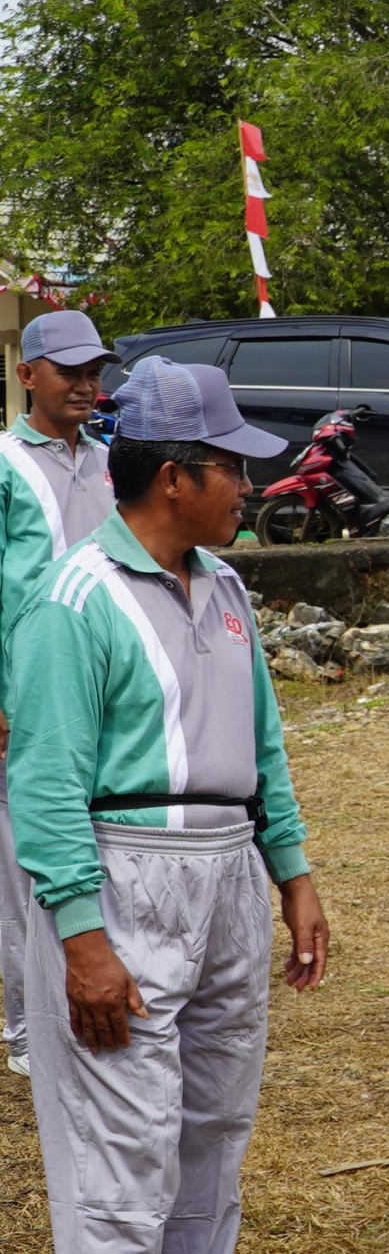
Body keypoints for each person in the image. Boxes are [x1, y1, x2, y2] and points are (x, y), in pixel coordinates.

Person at [6, 357, 325, 1252]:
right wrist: (81, 935)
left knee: (213, 1131)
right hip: (124, 876)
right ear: (174, 475)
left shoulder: (226, 588)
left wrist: (291, 872)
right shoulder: (75, 601)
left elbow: (262, 743)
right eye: (231, 465)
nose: (249, 484)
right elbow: (44, 779)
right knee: (123, 1146)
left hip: (225, 874)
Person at [0, 309, 119, 1079]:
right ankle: (23, 1021)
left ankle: (91, 988)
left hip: (106, 688)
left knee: (95, 837)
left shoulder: (113, 461)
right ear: (25, 374)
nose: (84, 383)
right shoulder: (6, 463)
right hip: (26, 691)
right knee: (23, 858)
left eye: (93, 370)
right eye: (68, 369)